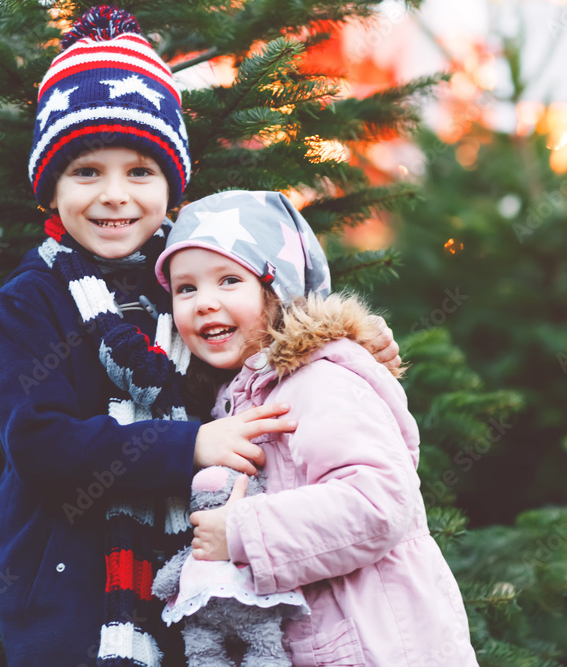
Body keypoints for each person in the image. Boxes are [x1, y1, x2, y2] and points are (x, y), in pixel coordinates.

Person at [0, 7, 401, 665]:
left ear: (170, 185)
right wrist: (191, 443)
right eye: (87, 172)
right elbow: (40, 443)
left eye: (140, 172)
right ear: (50, 185)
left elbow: (256, 344)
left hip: (189, 562)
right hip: (72, 581)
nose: (114, 195)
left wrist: (345, 340)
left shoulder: (182, 277)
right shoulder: (31, 299)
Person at [154, 190, 479, 666]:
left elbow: (376, 502)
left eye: (228, 280)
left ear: (277, 290)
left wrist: (242, 534)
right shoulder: (236, 397)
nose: (204, 302)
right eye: (186, 289)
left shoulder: (317, 379)